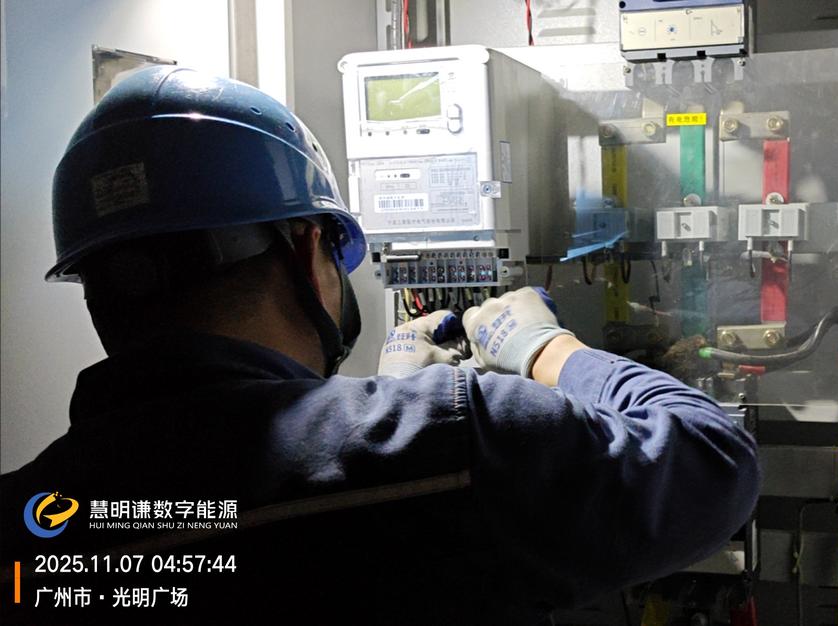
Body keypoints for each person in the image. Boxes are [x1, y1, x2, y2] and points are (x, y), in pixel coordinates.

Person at [0, 66, 759, 625]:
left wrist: (391, 396)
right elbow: (712, 461)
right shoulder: (449, 443)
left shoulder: (26, 530)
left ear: (98, 288)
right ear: (309, 251)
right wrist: (546, 349)